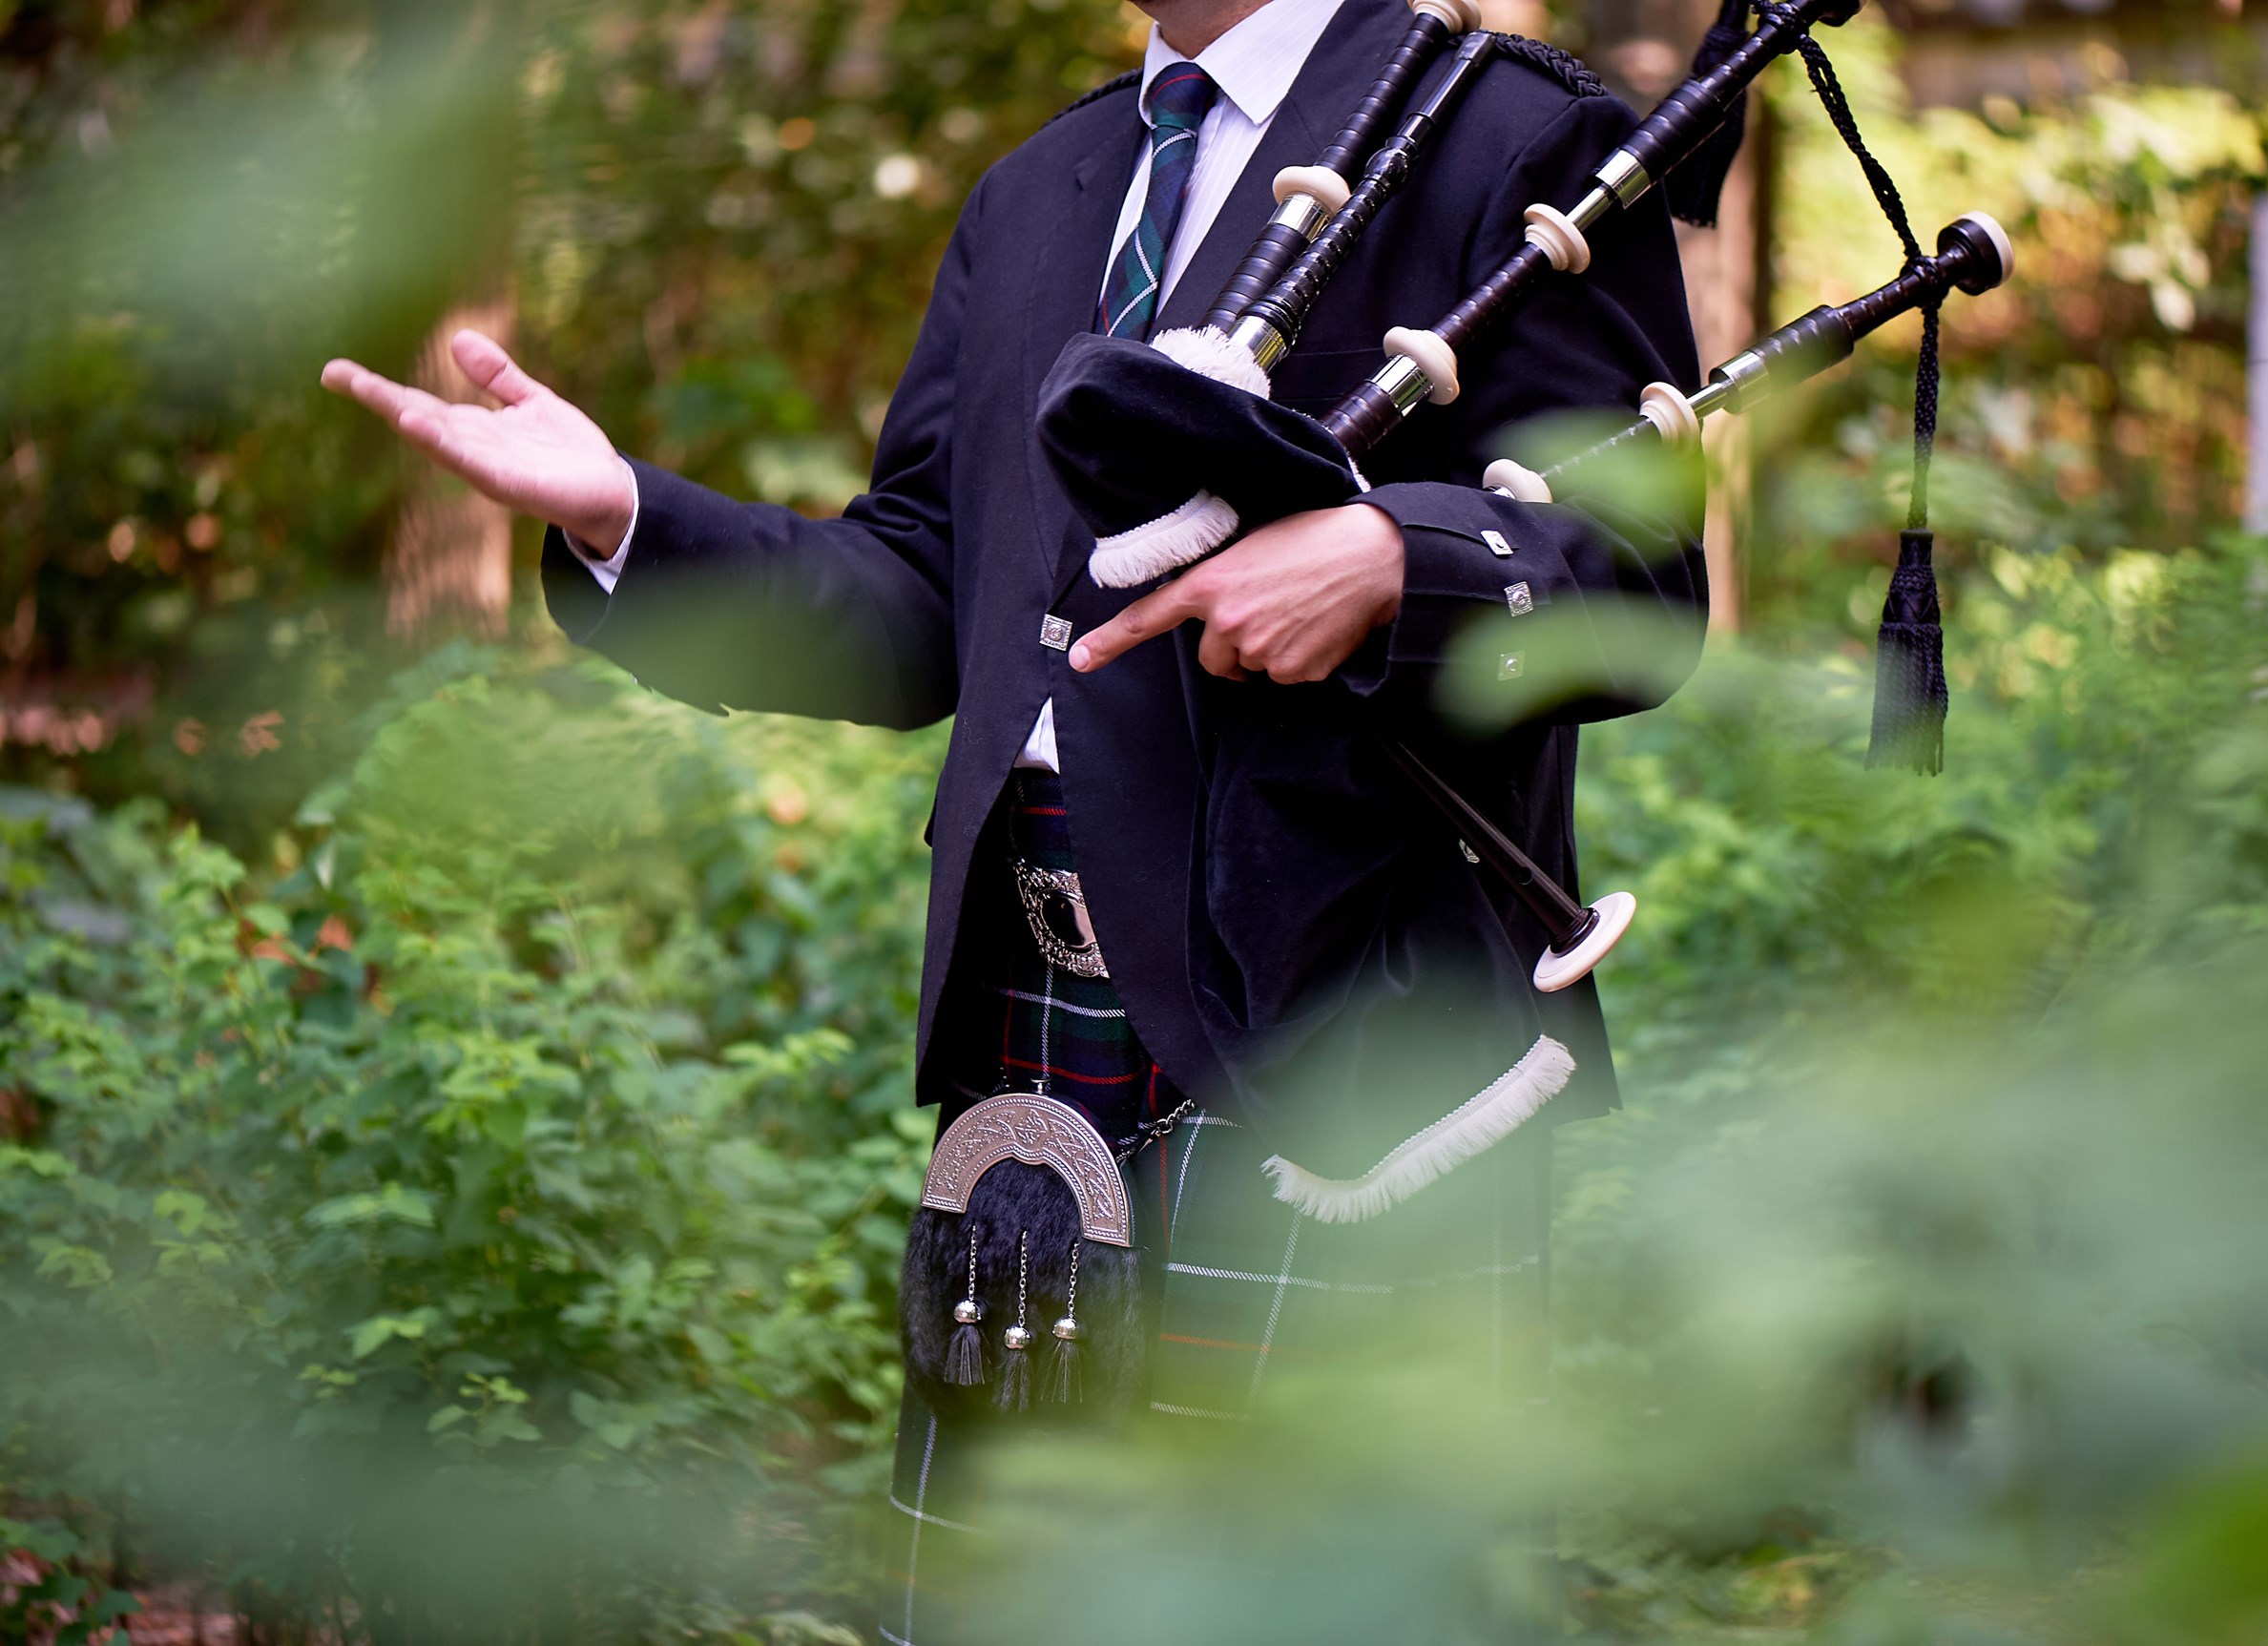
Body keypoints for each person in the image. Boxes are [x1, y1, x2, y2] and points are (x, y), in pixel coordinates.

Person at [323, 0, 1707, 1636]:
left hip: (1344, 1038)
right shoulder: (1042, 190)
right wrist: (632, 518)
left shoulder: (1502, 131)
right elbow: (923, 599)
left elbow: (1642, 580)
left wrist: (1399, 559)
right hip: (1032, 1049)